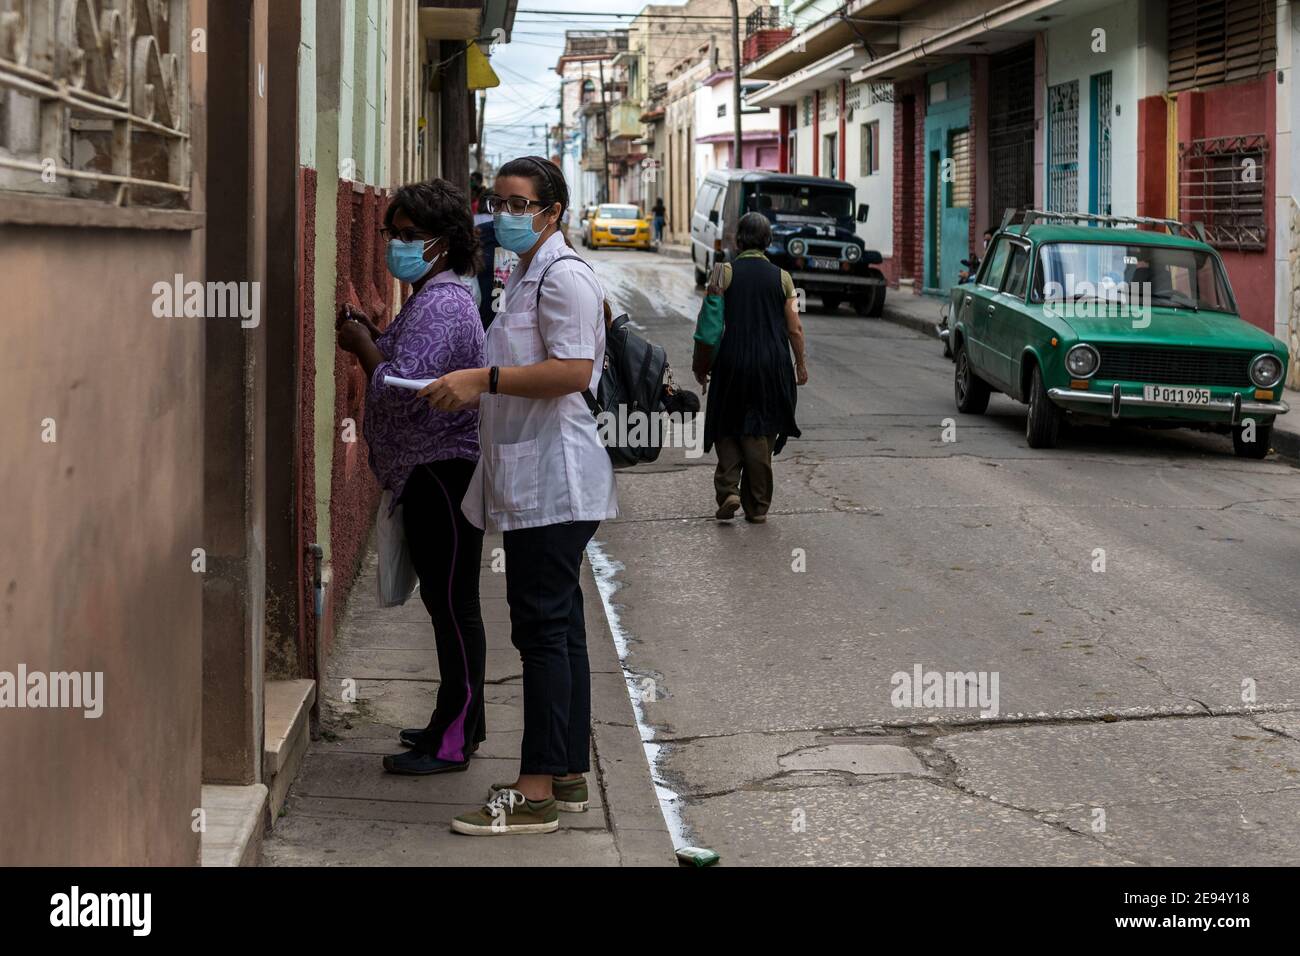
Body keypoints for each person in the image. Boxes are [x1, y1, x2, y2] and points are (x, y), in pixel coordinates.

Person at [419, 155, 617, 836]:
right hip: (542, 478)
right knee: (558, 630)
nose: (503, 214)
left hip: (555, 480)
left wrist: (483, 380)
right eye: (496, 201)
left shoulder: (562, 278)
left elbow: (570, 371)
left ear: (552, 211)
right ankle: (563, 778)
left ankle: (533, 795)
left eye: (518, 203)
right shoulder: (528, 273)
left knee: (540, 634)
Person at [336, 179, 488, 776]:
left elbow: (406, 391)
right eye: (392, 235)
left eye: (411, 237)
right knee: (449, 607)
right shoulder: (432, 295)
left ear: (445, 243)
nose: (397, 246)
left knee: (454, 608)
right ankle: (458, 722)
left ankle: (453, 741)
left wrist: (359, 346)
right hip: (427, 473)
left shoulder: (443, 303)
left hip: (441, 475)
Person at [692, 211, 807, 523]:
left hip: (732, 363)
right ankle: (757, 505)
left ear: (738, 240)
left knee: (727, 425)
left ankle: (729, 489)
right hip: (773, 365)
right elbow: (794, 327)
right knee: (763, 428)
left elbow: (709, 328)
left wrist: (701, 365)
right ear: (768, 242)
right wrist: (800, 365)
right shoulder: (784, 278)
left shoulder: (721, 273)